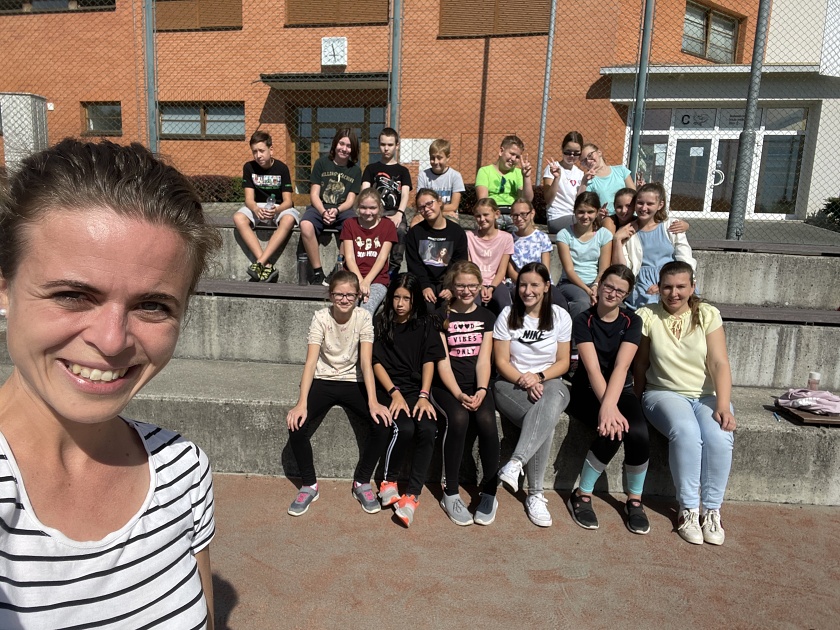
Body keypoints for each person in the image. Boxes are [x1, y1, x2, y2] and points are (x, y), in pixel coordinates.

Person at [0, 139, 221, 627]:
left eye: (152, 305)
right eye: (73, 295)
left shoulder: (182, 468)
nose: (111, 340)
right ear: (5, 289)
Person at [634, 261, 736, 546]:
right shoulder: (647, 315)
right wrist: (636, 402)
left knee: (720, 435)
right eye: (667, 287)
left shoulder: (707, 314)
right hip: (663, 392)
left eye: (681, 286)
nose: (674, 293)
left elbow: (719, 362)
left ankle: (712, 510)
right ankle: (688, 509)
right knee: (686, 432)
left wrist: (723, 405)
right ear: (659, 288)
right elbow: (640, 364)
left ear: (693, 287)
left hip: (706, 395)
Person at [285, 271, 393, 516]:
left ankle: (362, 482)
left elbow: (366, 363)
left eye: (350, 295)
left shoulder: (363, 318)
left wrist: (374, 401)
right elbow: (311, 362)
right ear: (330, 295)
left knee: (382, 424)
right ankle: (309, 485)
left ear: (357, 296)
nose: (344, 299)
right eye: (339, 294)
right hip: (323, 379)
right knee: (296, 426)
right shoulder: (320, 317)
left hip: (353, 380)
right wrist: (301, 403)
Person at [565, 264, 651, 534]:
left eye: (620, 291)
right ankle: (582, 494)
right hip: (586, 391)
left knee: (638, 432)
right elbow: (592, 369)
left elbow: (622, 367)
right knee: (612, 430)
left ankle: (634, 500)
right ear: (600, 284)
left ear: (627, 295)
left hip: (620, 389)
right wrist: (607, 409)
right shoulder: (584, 320)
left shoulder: (632, 321)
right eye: (609, 286)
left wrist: (610, 406)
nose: (613, 293)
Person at [494, 262, 572, 527]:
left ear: (547, 287)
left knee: (550, 402)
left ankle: (516, 463)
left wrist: (538, 377)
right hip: (510, 384)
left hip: (549, 382)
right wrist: (524, 380)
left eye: (535, 285)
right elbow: (501, 362)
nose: (528, 290)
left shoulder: (560, 316)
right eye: (523, 285)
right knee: (545, 421)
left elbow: (563, 362)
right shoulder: (507, 314)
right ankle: (535, 494)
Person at [373, 273, 446, 527]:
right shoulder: (381, 322)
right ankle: (388, 482)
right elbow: (376, 362)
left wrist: (424, 395)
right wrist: (394, 393)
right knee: (403, 427)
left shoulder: (425, 325)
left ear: (415, 300)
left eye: (406, 298)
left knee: (428, 428)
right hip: (389, 388)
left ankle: (413, 495)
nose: (400, 304)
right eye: (396, 297)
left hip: (417, 389)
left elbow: (429, 361)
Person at [432, 261, 499, 526]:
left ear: (480, 286)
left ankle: (490, 492)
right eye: (461, 285)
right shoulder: (440, 315)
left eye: (472, 285)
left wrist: (481, 389)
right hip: (447, 385)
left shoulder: (487, 317)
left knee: (487, 422)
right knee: (458, 419)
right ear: (452, 285)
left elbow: (484, 360)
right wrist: (459, 394)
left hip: (477, 384)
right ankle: (450, 493)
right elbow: (443, 362)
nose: (466, 290)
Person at [612, 182, 697, 310]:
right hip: (643, 284)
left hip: (672, 279)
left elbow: (685, 259)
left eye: (650, 204)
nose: (644, 208)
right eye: (640, 203)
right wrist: (617, 240)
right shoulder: (628, 231)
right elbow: (623, 268)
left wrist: (664, 285)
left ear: (660, 205)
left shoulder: (671, 226)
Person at [300, 128, 363, 286]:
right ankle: (317, 272)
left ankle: (338, 268)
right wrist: (323, 212)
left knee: (352, 226)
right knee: (305, 225)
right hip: (319, 207)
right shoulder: (321, 163)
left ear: (353, 149)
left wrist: (337, 210)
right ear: (335, 144)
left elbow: (350, 200)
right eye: (341, 143)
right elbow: (314, 194)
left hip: (342, 210)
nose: (344, 148)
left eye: (349, 146)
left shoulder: (355, 170)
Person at [233, 130, 297, 282]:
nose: (258, 155)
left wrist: (276, 210)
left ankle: (259, 263)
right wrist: (256, 209)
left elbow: (288, 201)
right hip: (258, 206)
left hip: (279, 207)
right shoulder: (249, 167)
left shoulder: (282, 168)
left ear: (271, 150)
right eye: (254, 152)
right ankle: (266, 265)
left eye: (261, 151)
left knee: (289, 219)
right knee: (238, 217)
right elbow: (249, 199)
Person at [406, 188, 469, 313]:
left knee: (446, 307)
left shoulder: (457, 232)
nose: (426, 209)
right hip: (424, 281)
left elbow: (459, 263)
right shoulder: (415, 233)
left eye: (429, 204)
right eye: (421, 207)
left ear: (439, 202)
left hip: (448, 282)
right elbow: (414, 265)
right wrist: (424, 286)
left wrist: (450, 287)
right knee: (427, 307)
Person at [500, 198, 569, 313]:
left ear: (532, 213)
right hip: (519, 283)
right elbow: (511, 270)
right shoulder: (509, 239)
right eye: (515, 215)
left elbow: (545, 268)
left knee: (560, 303)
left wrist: (536, 284)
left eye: (523, 214)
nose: (519, 219)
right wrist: (526, 284)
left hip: (541, 282)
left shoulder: (542, 237)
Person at [361, 127, 412, 276]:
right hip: (375, 211)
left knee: (401, 230)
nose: (386, 148)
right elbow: (365, 191)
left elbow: (405, 195)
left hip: (396, 211)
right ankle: (373, 266)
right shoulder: (371, 168)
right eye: (383, 144)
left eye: (390, 145)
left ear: (397, 146)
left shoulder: (403, 171)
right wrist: (373, 213)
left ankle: (394, 267)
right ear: (379, 145)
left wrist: (399, 214)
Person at [556, 191, 614, 322]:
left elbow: (604, 268)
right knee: (582, 302)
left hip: (596, 282)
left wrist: (596, 285)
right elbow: (569, 271)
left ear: (597, 212)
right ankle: (576, 335)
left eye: (590, 212)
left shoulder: (604, 235)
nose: (585, 216)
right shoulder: (564, 235)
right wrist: (588, 291)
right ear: (575, 212)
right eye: (581, 212)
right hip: (570, 283)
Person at [340, 189, 398, 316]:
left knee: (365, 311)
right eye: (363, 207)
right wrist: (360, 282)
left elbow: (382, 258)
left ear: (379, 207)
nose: (367, 212)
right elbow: (349, 258)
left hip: (377, 279)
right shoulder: (350, 224)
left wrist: (366, 282)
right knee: (347, 308)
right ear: (357, 207)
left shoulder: (388, 226)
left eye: (372, 208)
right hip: (351, 277)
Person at [475, 135, 534, 230]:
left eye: (517, 157)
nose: (513, 159)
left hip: (514, 214)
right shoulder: (485, 171)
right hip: (493, 213)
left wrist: (526, 177)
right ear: (501, 151)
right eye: (512, 154)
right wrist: (493, 215)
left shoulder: (518, 173)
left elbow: (527, 199)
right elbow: (483, 200)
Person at [466, 198, 514, 312]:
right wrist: (480, 286)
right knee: (473, 303)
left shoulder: (506, 238)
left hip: (496, 282)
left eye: (486, 215)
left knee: (505, 304)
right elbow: (469, 267)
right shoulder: (469, 236)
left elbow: (502, 271)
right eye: (478, 216)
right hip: (474, 281)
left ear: (496, 214)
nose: (482, 219)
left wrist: (492, 287)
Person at [412, 138, 465, 227]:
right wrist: (442, 212)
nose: (436, 162)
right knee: (415, 223)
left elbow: (454, 206)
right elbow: (421, 203)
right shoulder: (423, 175)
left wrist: (438, 212)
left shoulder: (455, 176)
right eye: (432, 158)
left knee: (453, 224)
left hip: (448, 215)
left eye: (439, 158)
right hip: (428, 212)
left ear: (448, 157)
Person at [543, 131, 585, 234]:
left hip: (575, 216)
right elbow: (548, 199)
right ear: (562, 149)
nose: (572, 156)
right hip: (557, 217)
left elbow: (581, 200)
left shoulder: (580, 173)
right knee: (586, 223)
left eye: (576, 153)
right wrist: (556, 178)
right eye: (568, 152)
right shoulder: (552, 168)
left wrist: (585, 182)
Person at [603, 187, 689, 237]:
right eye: (619, 207)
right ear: (614, 206)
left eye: (628, 206)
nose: (623, 210)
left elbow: (657, 222)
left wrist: (685, 225)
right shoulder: (611, 221)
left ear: (635, 206)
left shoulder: (638, 221)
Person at [578, 143, 636, 215]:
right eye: (584, 161)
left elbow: (634, 194)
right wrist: (584, 182)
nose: (588, 161)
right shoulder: (589, 181)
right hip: (608, 218)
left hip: (629, 214)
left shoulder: (621, 170)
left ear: (599, 152)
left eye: (590, 155)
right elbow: (581, 203)